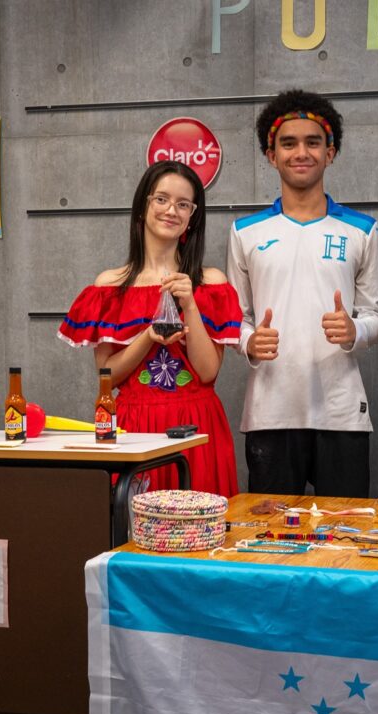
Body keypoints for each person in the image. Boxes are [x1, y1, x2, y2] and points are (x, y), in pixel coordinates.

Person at [226, 89, 378, 497]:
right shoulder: (245, 232)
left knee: (346, 541)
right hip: (269, 413)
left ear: (330, 152)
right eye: (288, 143)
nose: (302, 152)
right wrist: (249, 342)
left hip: (342, 413)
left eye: (313, 142)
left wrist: (354, 331)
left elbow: (375, 318)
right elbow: (233, 321)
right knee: (268, 543)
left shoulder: (362, 230)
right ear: (270, 154)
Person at [58, 160, 242, 497]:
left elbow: (207, 372)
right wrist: (147, 336)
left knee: (199, 535)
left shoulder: (210, 283)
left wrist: (189, 305)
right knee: (133, 532)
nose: (171, 210)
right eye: (162, 199)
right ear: (143, 205)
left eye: (183, 204)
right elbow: (107, 378)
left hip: (197, 425)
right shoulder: (110, 285)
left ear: (191, 216)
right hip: (134, 426)